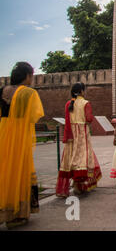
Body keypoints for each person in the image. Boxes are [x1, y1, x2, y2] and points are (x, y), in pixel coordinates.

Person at [0, 62, 44, 229]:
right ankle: (18, 214)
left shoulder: (2, 91)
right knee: (20, 170)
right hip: (20, 136)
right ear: (27, 76)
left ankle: (5, 210)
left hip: (3, 134)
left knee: (5, 170)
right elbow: (35, 116)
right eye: (31, 76)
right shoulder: (29, 93)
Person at [55, 83, 102, 198]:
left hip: (71, 134)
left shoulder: (68, 104)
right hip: (81, 134)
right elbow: (89, 119)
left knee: (71, 157)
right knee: (82, 157)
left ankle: (74, 184)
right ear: (81, 91)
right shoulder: (86, 103)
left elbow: (67, 121)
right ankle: (78, 184)